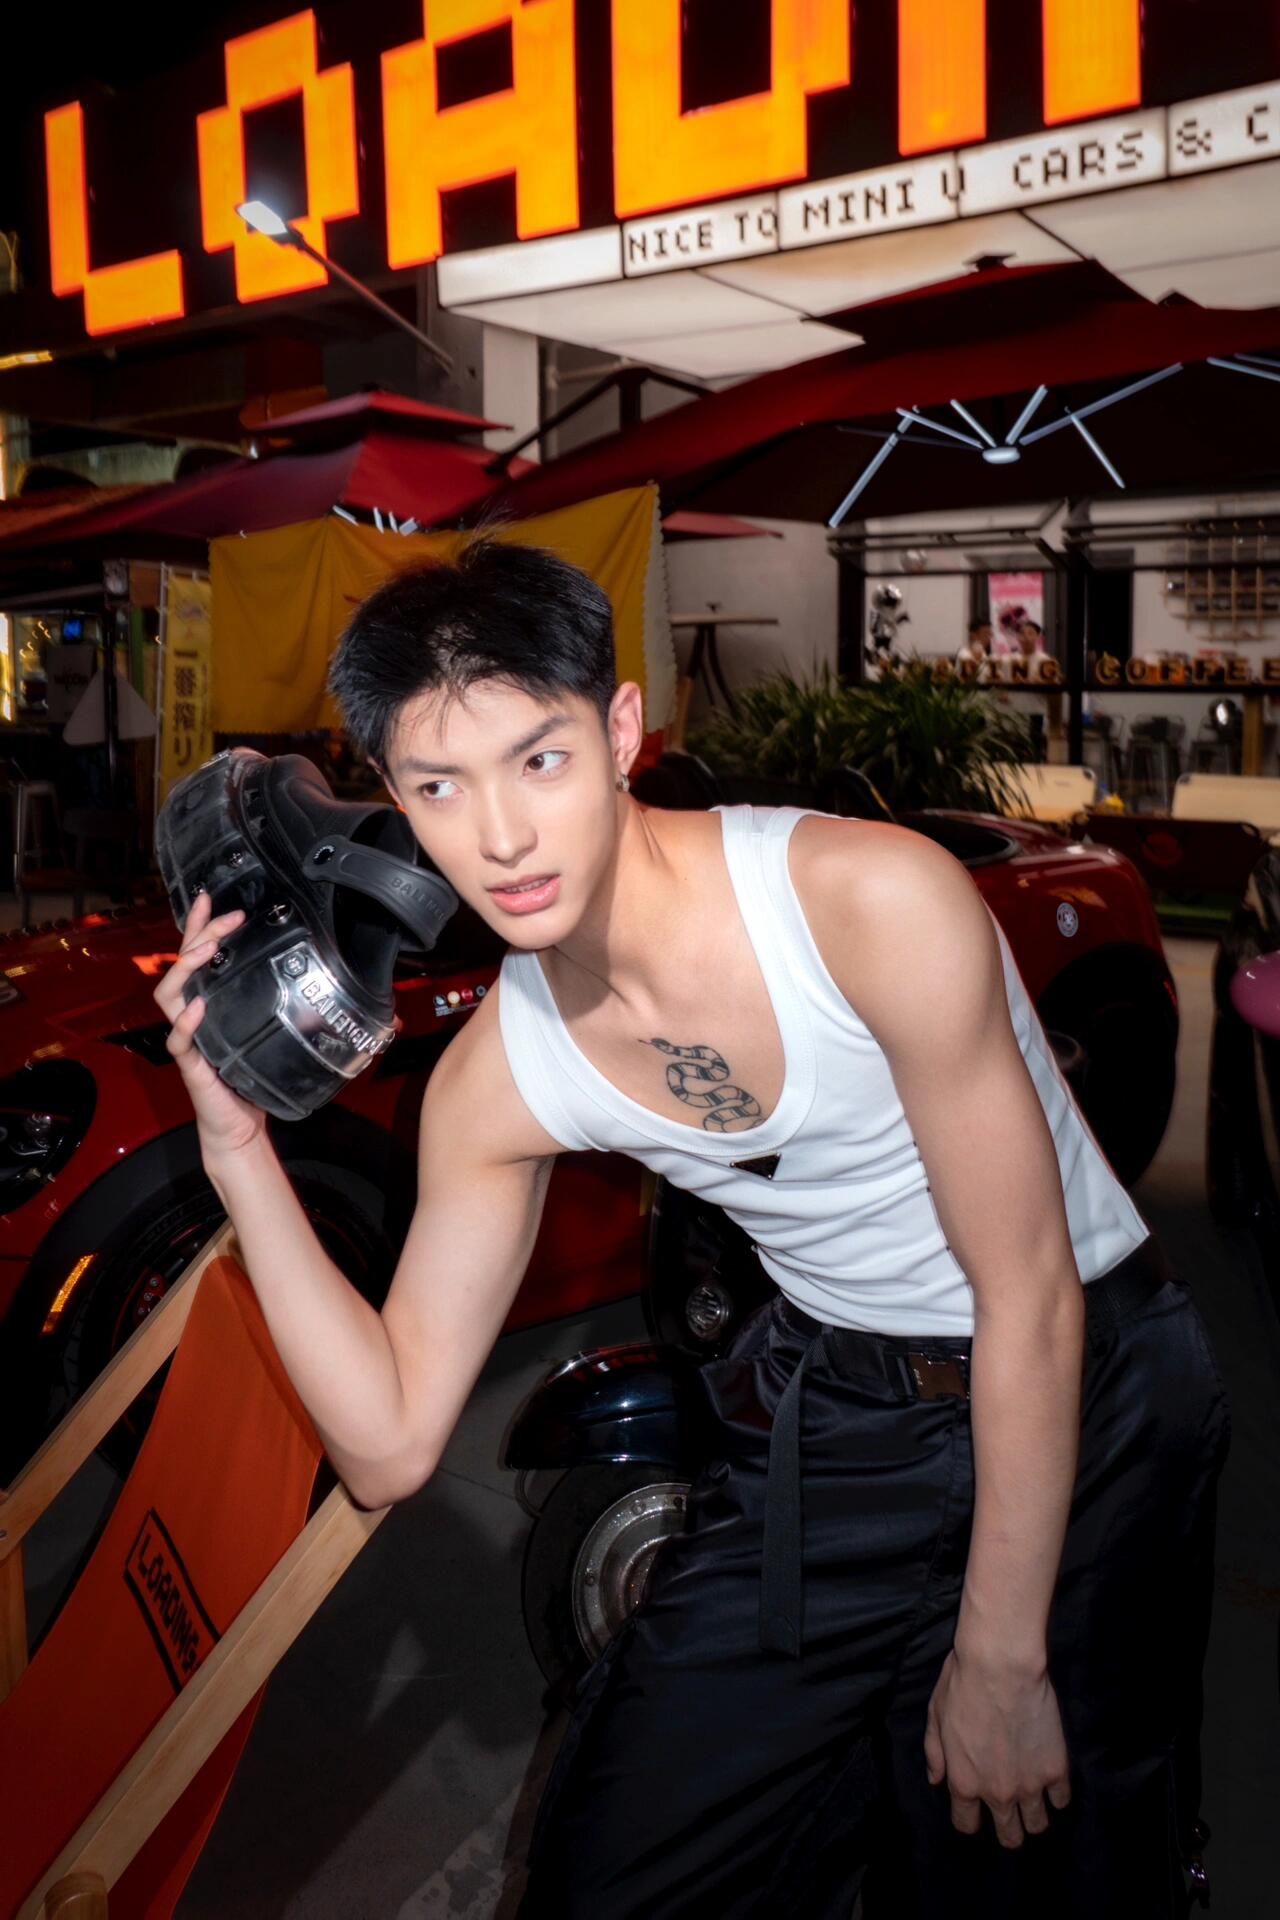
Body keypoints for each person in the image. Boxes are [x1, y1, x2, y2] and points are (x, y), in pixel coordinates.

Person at [155, 540, 1227, 1919]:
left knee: (1019, 1869)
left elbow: (1028, 1293)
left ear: (620, 732)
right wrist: (238, 1148)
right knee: (616, 1872)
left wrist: (1003, 1656)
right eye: (439, 786)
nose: (499, 837)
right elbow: (390, 1442)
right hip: (840, 1406)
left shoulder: (867, 901)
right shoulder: (498, 1079)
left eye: (538, 760)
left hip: (1087, 1389)